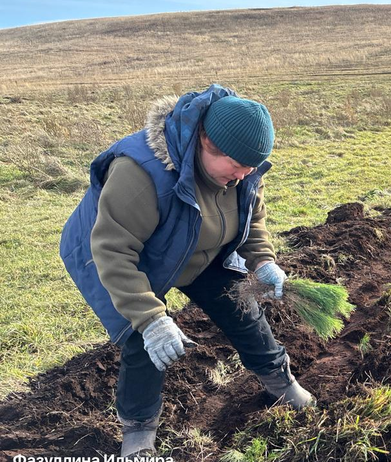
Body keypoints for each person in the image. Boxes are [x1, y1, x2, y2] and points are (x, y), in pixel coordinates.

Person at [59, 85, 313, 459]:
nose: (244, 176)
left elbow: (250, 219)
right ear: (205, 143)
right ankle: (139, 432)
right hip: (128, 254)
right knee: (144, 341)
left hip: (197, 246)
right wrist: (151, 319)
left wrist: (262, 261)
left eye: (251, 168)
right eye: (237, 165)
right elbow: (113, 252)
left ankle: (279, 381)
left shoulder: (243, 170)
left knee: (242, 308)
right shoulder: (140, 174)